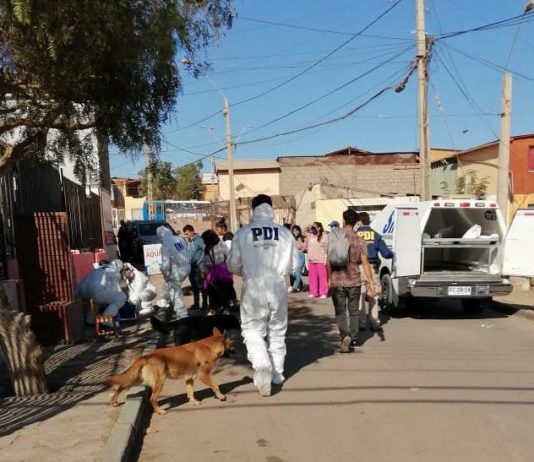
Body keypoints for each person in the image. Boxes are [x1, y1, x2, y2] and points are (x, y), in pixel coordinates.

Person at [228, 194, 299, 397]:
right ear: (270, 208)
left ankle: (262, 365)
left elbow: (232, 264)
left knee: (252, 329)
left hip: (253, 285)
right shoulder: (285, 233)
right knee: (277, 329)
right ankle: (277, 374)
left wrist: (248, 273)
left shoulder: (243, 233)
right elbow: (295, 265)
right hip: (278, 284)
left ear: (253, 209)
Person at [327, 209, 376, 353]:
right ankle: (353, 337)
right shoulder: (360, 240)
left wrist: (329, 278)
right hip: (354, 280)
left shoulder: (335, 238)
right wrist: (371, 282)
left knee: (340, 311)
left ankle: (345, 335)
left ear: (343, 221)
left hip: (337, 279)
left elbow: (328, 260)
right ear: (356, 223)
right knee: (354, 311)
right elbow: (365, 263)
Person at [356, 211, 394, 331]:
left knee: (360, 295)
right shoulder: (376, 235)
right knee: (374, 294)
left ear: (359, 221)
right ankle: (374, 322)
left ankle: (361, 322)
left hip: (358, 267)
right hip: (372, 267)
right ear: (369, 221)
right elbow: (386, 253)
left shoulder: (354, 235)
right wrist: (393, 254)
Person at [77, 259, 126, 327]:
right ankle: (106, 319)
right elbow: (117, 290)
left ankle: (90, 319)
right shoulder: (114, 272)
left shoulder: (97, 269)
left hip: (82, 292)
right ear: (119, 268)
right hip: (96, 292)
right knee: (122, 297)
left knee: (98, 299)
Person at [156, 226, 191, 320]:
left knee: (175, 290)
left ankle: (182, 314)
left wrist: (163, 271)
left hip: (177, 270)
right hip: (187, 266)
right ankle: (164, 301)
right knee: (168, 285)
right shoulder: (179, 239)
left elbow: (166, 264)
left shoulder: (165, 244)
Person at [200, 229, 236, 315]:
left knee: (224, 290)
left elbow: (228, 255)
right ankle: (213, 308)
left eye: (204, 239)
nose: (203, 241)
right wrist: (203, 270)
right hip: (211, 272)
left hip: (222, 271)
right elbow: (203, 261)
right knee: (212, 291)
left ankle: (225, 308)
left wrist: (229, 268)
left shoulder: (221, 244)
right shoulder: (206, 247)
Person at [182, 224, 208, 311]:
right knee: (194, 286)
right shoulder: (189, 241)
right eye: (185, 234)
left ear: (192, 232)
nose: (186, 235)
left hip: (198, 267)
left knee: (202, 286)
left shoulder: (199, 240)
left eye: (187, 234)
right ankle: (196, 304)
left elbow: (205, 249)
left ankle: (204, 304)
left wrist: (200, 260)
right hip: (191, 267)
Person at [305, 221, 329, 298]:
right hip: (311, 260)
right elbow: (303, 231)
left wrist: (325, 258)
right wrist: (310, 225)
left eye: (315, 226)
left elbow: (326, 248)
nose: (313, 227)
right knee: (312, 278)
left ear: (319, 228)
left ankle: (323, 293)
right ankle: (313, 292)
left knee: (322, 277)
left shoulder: (323, 235)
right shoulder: (310, 235)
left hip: (320, 260)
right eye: (313, 226)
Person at [288, 225, 307, 293]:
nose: (295, 232)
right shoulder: (291, 238)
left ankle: (295, 287)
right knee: (295, 272)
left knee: (298, 270)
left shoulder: (302, 238)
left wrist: (302, 248)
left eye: (297, 230)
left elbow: (305, 246)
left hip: (300, 255)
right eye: (294, 231)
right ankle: (301, 284)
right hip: (294, 255)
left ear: (299, 231)